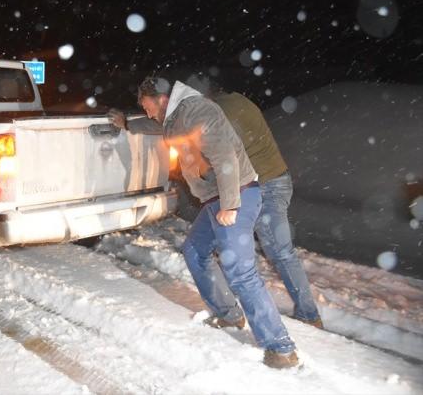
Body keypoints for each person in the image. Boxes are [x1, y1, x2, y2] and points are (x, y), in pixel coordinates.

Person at [109, 79, 323, 330]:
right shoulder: (229, 102)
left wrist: (226, 201)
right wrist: (131, 124)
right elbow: (170, 124)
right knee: (222, 253)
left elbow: (222, 155)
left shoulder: (215, 111)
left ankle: (301, 319)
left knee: (275, 252)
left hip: (264, 184)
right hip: (260, 182)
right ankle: (239, 313)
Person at [133, 76, 299, 369]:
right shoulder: (174, 117)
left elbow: (225, 156)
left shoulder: (196, 110)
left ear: (161, 99)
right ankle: (229, 314)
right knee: (195, 251)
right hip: (215, 201)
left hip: (237, 197)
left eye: (147, 106)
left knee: (240, 271)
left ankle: (281, 347)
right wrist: (126, 124)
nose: (147, 114)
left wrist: (231, 204)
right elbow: (156, 126)